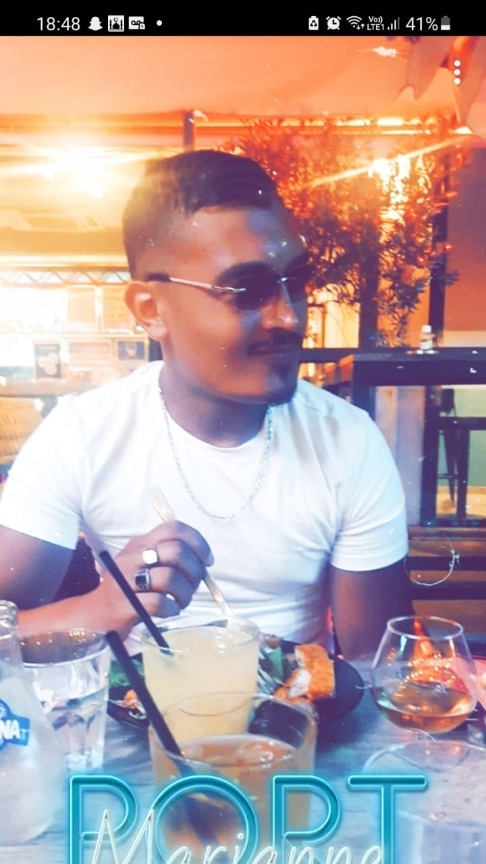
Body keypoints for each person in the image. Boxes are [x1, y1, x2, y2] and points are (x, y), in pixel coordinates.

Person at [0, 150, 412, 659]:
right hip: (134, 703)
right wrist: (104, 608)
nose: (289, 317)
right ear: (151, 310)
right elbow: (5, 630)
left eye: (296, 281)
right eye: (247, 290)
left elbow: (377, 663)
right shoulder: (82, 434)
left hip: (292, 702)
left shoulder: (347, 440)